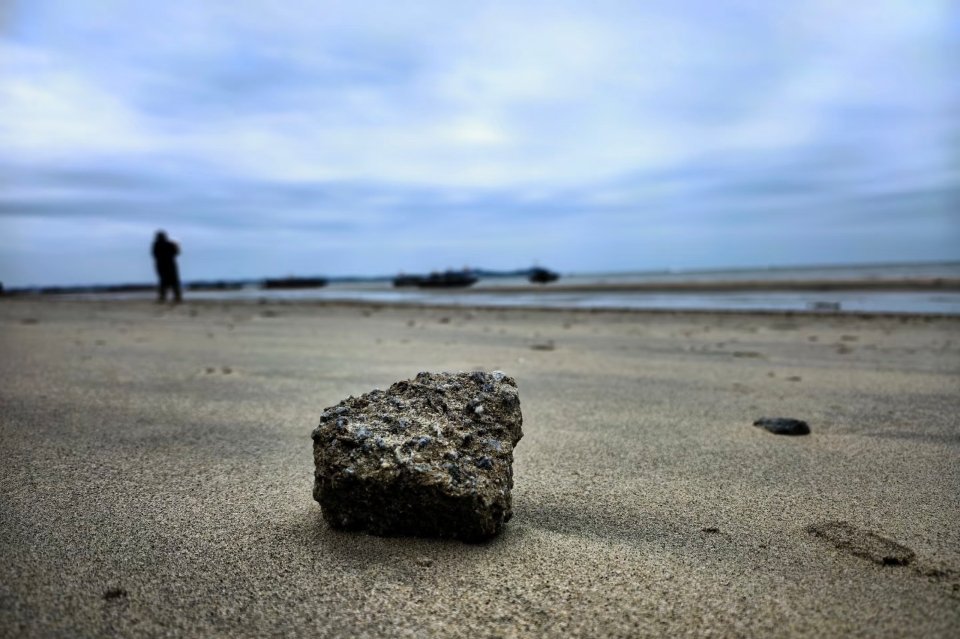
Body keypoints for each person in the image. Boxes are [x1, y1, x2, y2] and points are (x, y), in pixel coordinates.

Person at [152, 230, 182, 303]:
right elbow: (177, 253)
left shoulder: (156, 244)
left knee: (164, 282)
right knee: (173, 282)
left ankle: (164, 297)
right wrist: (177, 246)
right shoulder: (169, 244)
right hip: (169, 265)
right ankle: (176, 297)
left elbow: (154, 255)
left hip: (162, 265)